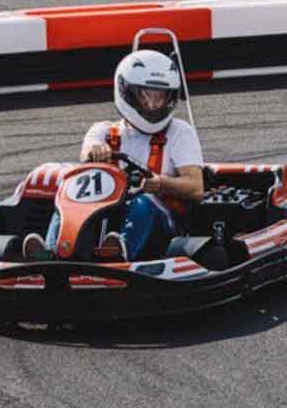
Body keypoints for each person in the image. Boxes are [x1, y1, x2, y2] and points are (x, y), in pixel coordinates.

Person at [22, 48, 204, 262]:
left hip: (161, 222)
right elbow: (87, 149)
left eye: (160, 97)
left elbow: (196, 187)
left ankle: (119, 253)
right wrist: (95, 149)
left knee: (143, 201)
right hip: (104, 212)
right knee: (69, 196)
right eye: (145, 96)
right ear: (126, 93)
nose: (153, 105)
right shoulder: (104, 131)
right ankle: (52, 252)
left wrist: (160, 183)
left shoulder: (179, 132)